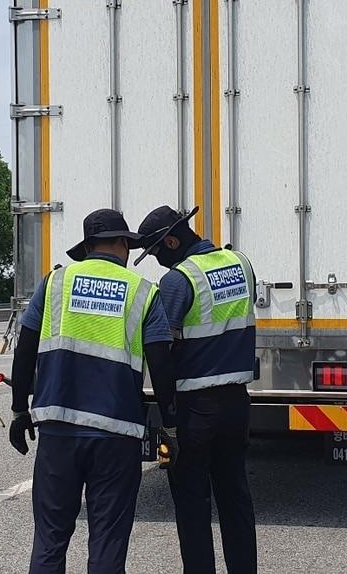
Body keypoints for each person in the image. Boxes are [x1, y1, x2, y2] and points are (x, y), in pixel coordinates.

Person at [8, 209, 178, 574]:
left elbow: (24, 351)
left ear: (87, 247)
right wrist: (172, 425)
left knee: (50, 540)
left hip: (58, 430)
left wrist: (19, 409)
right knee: (107, 543)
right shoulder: (142, 292)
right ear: (121, 243)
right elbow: (161, 367)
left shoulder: (55, 282)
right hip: (117, 435)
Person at [135, 205, 258, 574]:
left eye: (158, 252)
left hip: (194, 408)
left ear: (173, 241)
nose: (158, 262)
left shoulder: (178, 280)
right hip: (237, 402)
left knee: (191, 503)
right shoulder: (241, 263)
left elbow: (162, 348)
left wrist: (168, 416)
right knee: (236, 497)